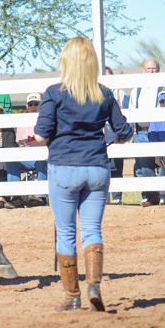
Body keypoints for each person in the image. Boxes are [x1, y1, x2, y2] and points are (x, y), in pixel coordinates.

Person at [33, 37, 133, 312]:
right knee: (91, 230)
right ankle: (94, 284)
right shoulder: (105, 94)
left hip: (64, 168)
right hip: (97, 168)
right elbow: (125, 132)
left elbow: (41, 135)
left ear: (66, 61)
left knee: (66, 233)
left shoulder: (54, 93)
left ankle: (72, 296)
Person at [130, 58, 165, 206]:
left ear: (159, 70)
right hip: (141, 132)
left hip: (161, 131)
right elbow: (131, 110)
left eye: (154, 68)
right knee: (143, 166)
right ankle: (150, 196)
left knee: (162, 163)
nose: (151, 71)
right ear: (144, 70)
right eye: (149, 69)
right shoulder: (137, 89)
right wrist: (131, 132)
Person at [8, 92, 48, 207]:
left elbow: (49, 141)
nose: (33, 107)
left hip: (44, 156)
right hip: (27, 156)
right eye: (30, 104)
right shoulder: (22, 121)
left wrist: (33, 144)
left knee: (41, 161)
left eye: (36, 104)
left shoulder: (46, 119)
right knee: (12, 162)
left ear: (41, 105)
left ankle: (41, 197)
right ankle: (16, 198)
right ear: (27, 106)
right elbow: (20, 143)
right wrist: (30, 145)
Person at [103, 68, 129, 205]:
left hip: (115, 136)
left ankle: (117, 198)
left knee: (117, 168)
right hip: (100, 137)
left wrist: (122, 134)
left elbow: (127, 114)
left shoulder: (120, 93)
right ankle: (103, 197)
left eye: (108, 75)